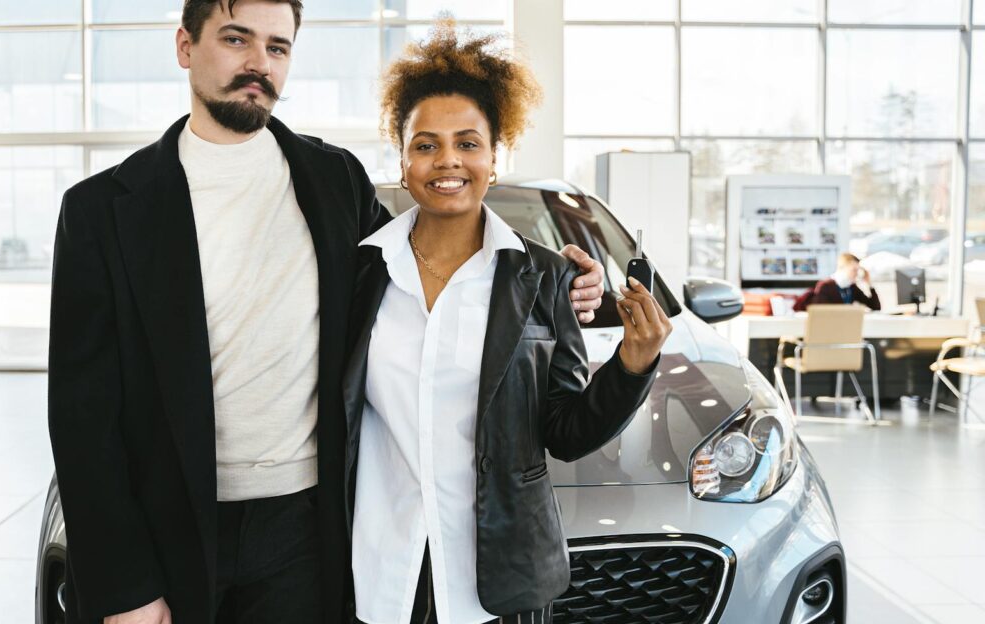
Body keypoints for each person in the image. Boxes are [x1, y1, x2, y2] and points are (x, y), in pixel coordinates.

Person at [46, 2, 609, 623]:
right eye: (237, 39)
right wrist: (126, 587)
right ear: (185, 46)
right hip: (170, 525)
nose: (259, 63)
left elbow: (434, 258)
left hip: (304, 532)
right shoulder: (101, 211)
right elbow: (82, 418)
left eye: (278, 47)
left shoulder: (334, 181)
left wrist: (562, 280)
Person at [343, 22, 672, 624]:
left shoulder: (544, 278)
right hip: (381, 569)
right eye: (426, 144)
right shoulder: (363, 272)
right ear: (403, 159)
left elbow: (565, 430)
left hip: (497, 580)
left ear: (495, 157)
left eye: (468, 143)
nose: (448, 161)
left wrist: (633, 363)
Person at [792, 252, 881, 312]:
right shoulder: (826, 286)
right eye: (854, 270)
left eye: (858, 270)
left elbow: (875, 307)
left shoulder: (851, 287)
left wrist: (869, 284)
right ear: (843, 268)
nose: (856, 274)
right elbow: (822, 313)